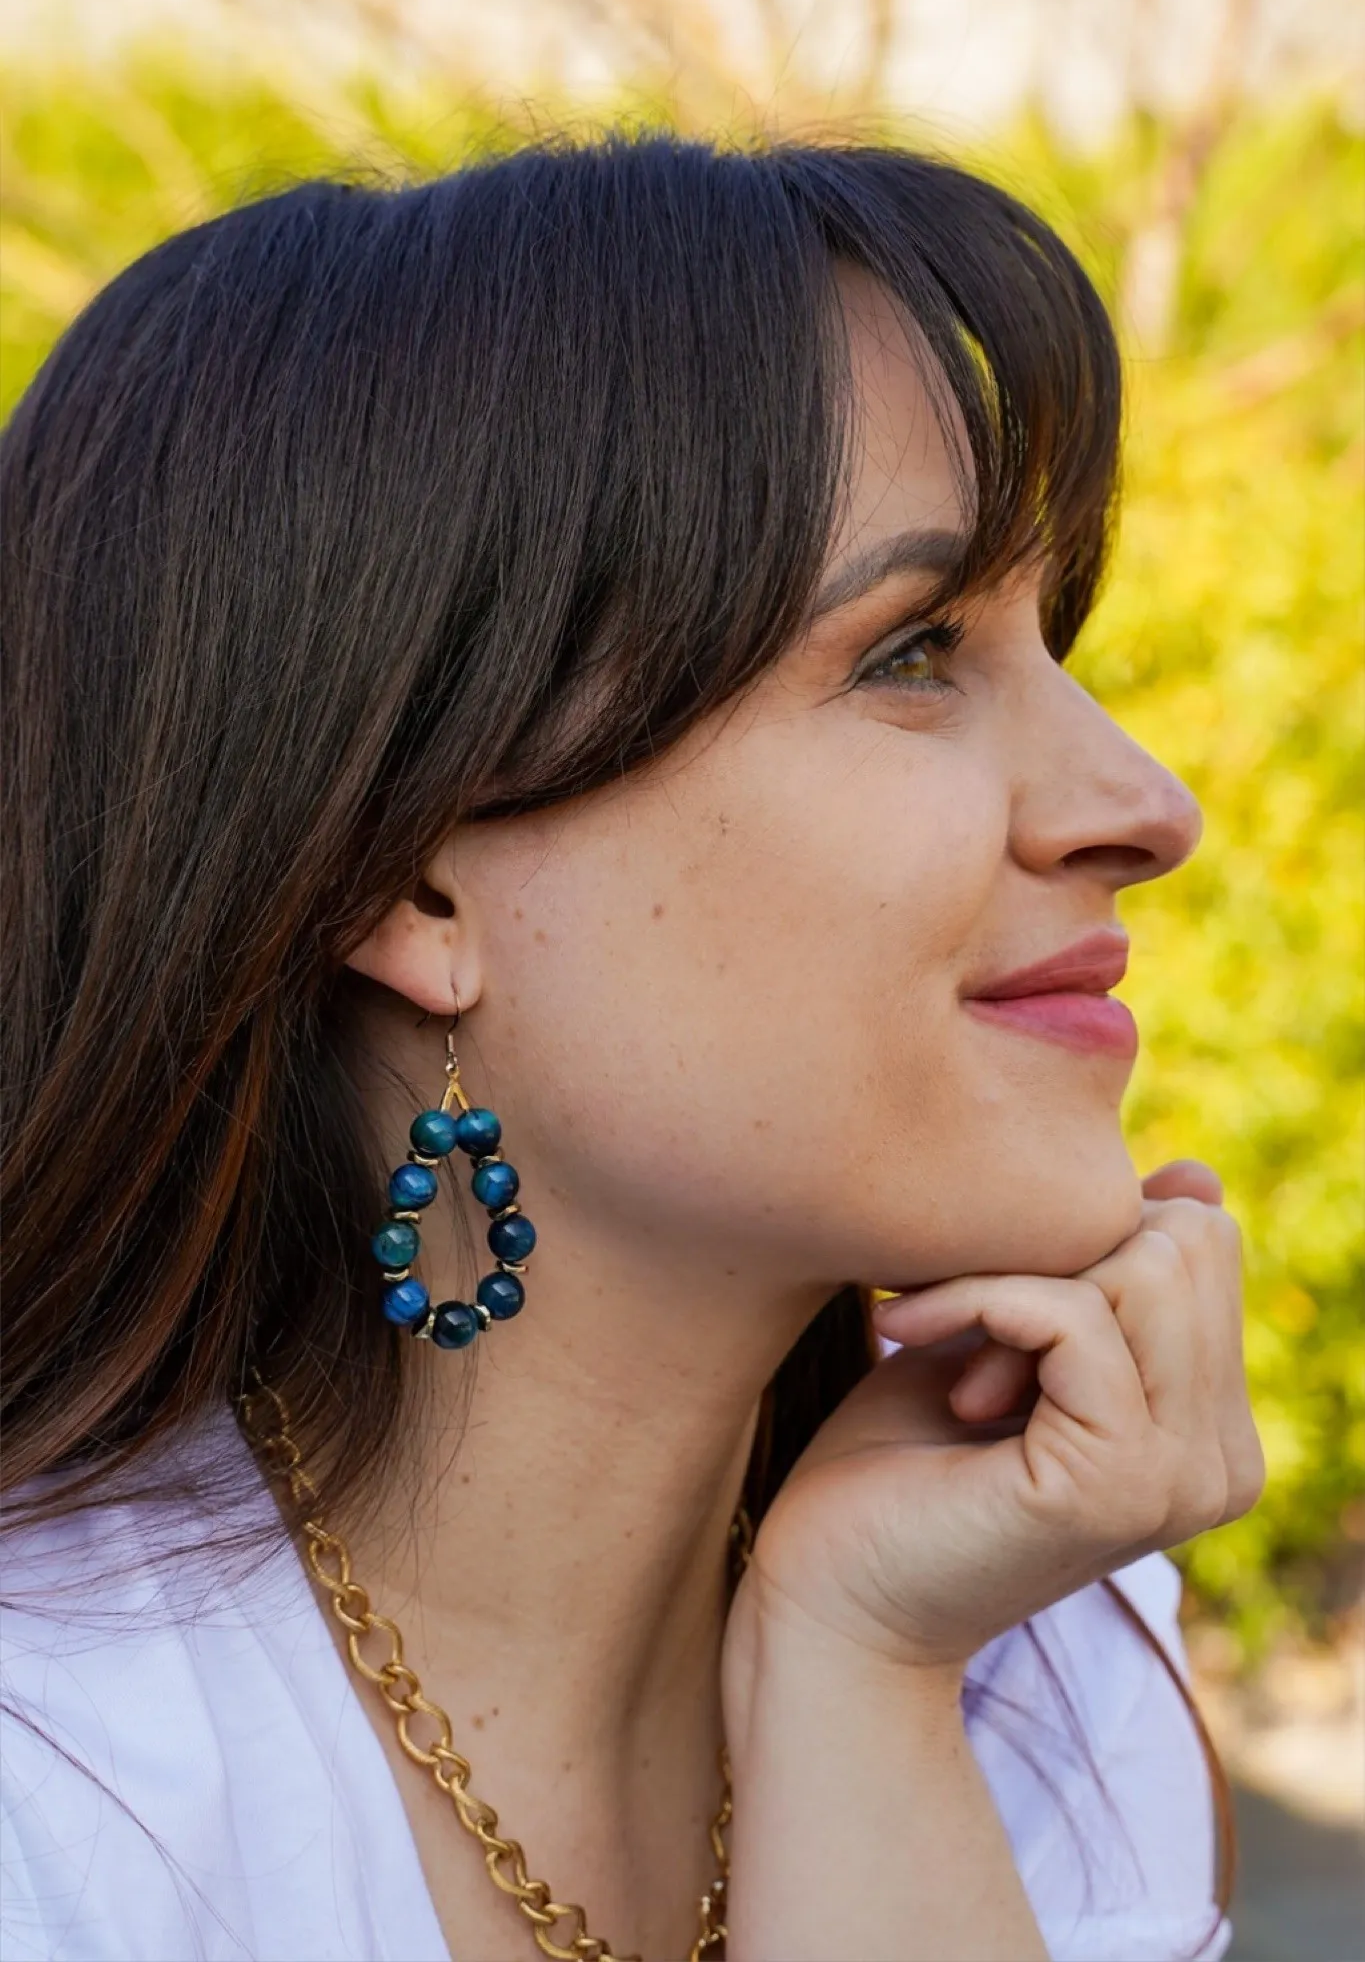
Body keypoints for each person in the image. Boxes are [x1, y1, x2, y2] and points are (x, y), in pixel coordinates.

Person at [0, 133, 1263, 1962]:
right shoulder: (58, 1793)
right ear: (410, 879)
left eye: (1050, 640)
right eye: (912, 651)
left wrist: (864, 1672)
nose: (1143, 803)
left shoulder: (1061, 1701)